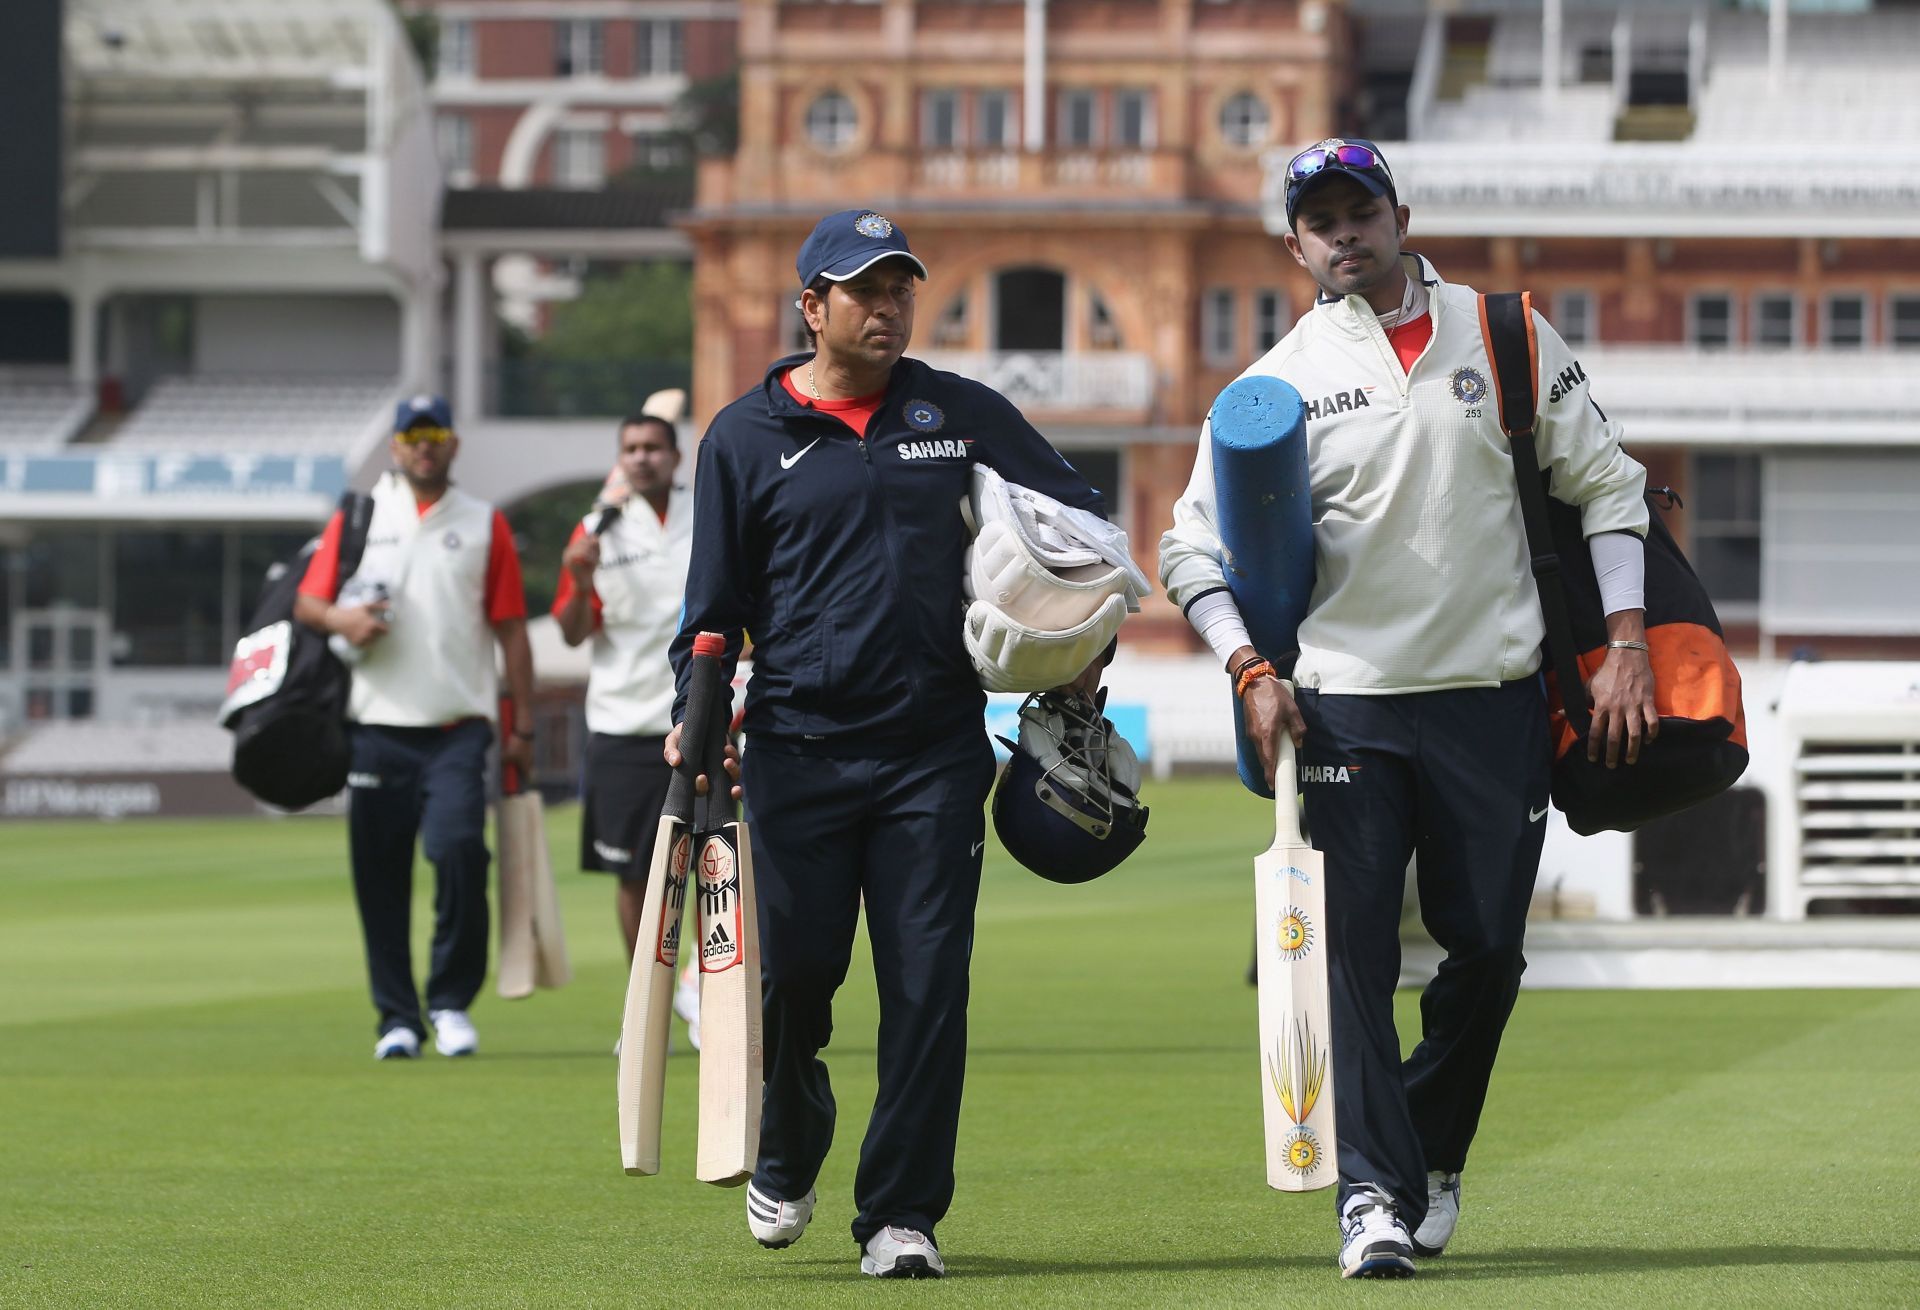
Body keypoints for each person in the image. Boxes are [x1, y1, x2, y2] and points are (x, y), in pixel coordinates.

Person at [1159, 140, 1656, 1279]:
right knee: (1352, 957)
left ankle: (1429, 1152)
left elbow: (1611, 485)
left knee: (1486, 952)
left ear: (1399, 213)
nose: (1343, 232)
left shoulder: (1510, 332)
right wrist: (1248, 667)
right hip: (1349, 707)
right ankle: (1372, 1194)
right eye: (1319, 219)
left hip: (1492, 698)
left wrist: (1625, 645)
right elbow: (1189, 543)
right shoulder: (1273, 382)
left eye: (1359, 209)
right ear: (1294, 244)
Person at [668, 208, 1108, 1280]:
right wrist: (696, 708)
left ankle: (901, 1213)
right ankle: (788, 1137)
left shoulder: (958, 414)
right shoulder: (741, 437)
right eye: (864, 290)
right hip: (797, 752)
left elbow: (1081, 520)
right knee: (796, 984)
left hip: (934, 755)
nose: (889, 307)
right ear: (811, 305)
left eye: (902, 287)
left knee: (926, 986)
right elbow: (713, 606)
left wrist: (1076, 629)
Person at [294, 394, 534, 1061]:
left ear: (454, 444)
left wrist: (523, 727)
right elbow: (309, 603)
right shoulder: (363, 513)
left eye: (435, 434)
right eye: (411, 435)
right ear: (396, 447)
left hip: (459, 725)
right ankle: (396, 1017)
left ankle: (450, 1001)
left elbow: (512, 631)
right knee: (380, 874)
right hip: (375, 726)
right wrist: (345, 622)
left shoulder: (486, 523)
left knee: (458, 852)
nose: (423, 445)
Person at [552, 413, 703, 1046]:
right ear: (621, 460)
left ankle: (703, 995)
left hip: (702, 715)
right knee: (634, 875)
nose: (642, 459)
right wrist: (580, 575)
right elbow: (570, 630)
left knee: (711, 867)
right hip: (621, 721)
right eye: (631, 450)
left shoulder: (712, 515)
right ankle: (648, 1004)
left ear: (674, 457)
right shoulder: (595, 529)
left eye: (653, 448)